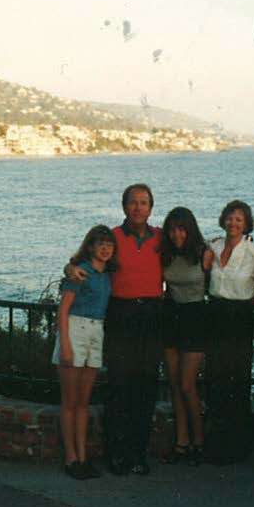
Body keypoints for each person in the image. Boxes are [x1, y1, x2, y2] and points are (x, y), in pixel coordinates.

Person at [65, 183, 163, 475]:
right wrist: (69, 269)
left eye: (144, 203)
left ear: (151, 207)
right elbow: (85, 259)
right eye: (133, 202)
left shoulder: (160, 237)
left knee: (146, 386)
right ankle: (117, 455)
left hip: (151, 314)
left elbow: (191, 247)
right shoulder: (114, 237)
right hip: (121, 314)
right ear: (124, 206)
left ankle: (138, 455)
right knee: (119, 384)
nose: (138, 208)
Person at [53, 225, 117, 479]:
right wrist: (65, 345)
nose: (105, 249)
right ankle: (71, 458)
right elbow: (63, 310)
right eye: (101, 244)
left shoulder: (107, 276)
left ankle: (83, 456)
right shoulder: (80, 272)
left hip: (96, 333)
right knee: (70, 401)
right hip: (75, 331)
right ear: (90, 247)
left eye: (110, 245)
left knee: (83, 402)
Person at [205, 200, 254, 465]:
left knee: (237, 380)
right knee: (216, 378)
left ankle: (237, 446)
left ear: (246, 223)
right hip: (215, 314)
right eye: (229, 217)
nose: (233, 223)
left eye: (238, 219)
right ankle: (216, 445)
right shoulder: (213, 246)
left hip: (240, 318)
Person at [158, 207, 213, 466]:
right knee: (174, 384)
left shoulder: (204, 253)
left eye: (181, 229)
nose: (176, 234)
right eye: (172, 229)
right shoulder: (166, 254)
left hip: (195, 318)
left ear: (190, 229)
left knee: (187, 385)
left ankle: (199, 442)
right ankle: (181, 443)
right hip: (171, 317)